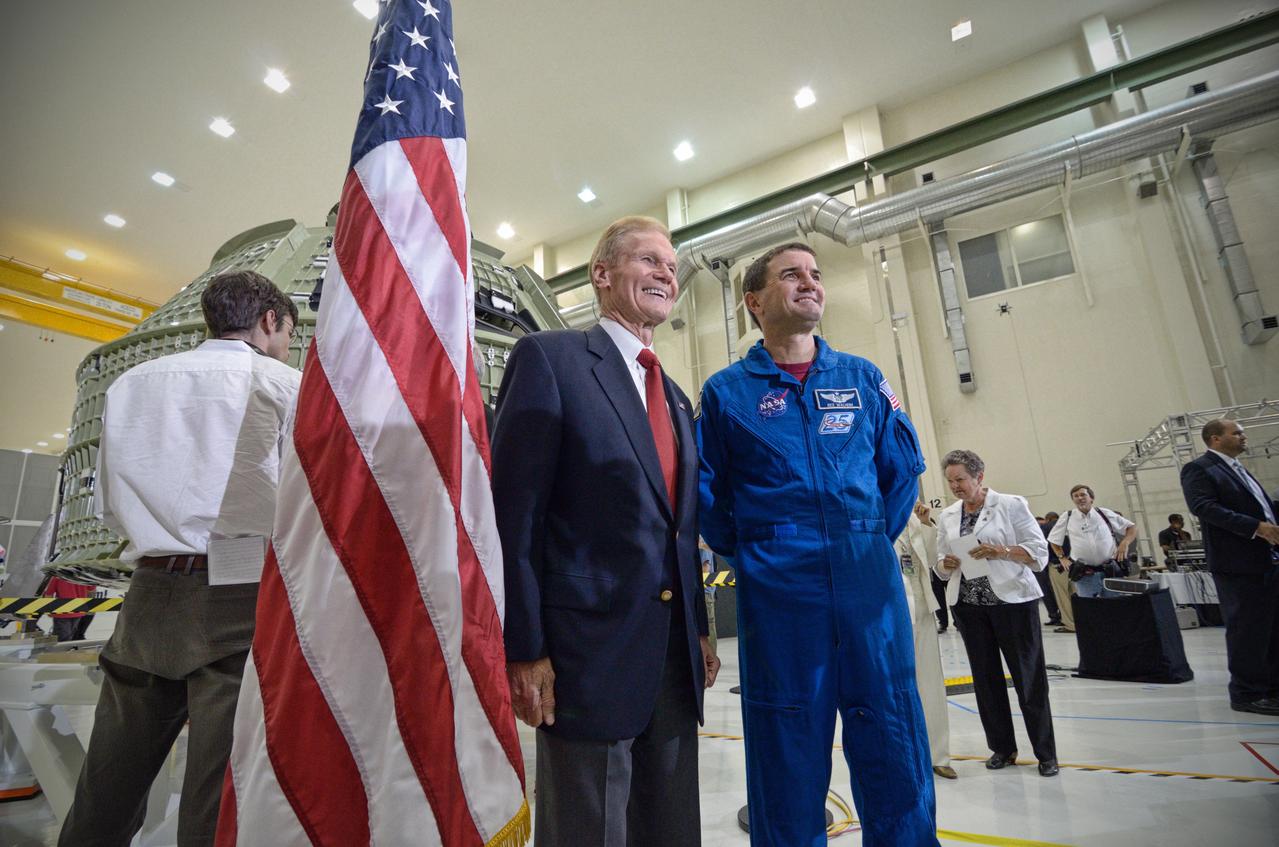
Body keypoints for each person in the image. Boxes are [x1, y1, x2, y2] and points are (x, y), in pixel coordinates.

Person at [698, 241, 936, 846]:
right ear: (754, 301)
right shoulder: (727, 394)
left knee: (893, 733)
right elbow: (705, 496)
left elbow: (901, 472)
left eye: (815, 274)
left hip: (868, 585)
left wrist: (863, 541)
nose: (809, 283)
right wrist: (761, 549)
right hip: (779, 593)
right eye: (791, 275)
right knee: (785, 741)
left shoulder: (862, 379)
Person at [492, 216, 718, 847]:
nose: (665, 274)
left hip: (673, 661)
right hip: (583, 657)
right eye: (648, 261)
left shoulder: (673, 395)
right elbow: (515, 514)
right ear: (602, 275)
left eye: (671, 266)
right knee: (587, 831)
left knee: (670, 828)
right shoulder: (552, 359)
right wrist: (525, 648)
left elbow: (681, 527)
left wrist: (698, 628)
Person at [58, 270, 300, 847]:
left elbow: (108, 502)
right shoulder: (285, 385)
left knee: (110, 780)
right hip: (239, 594)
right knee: (216, 791)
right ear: (270, 321)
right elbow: (302, 502)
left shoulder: (132, 384)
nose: (288, 345)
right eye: (289, 332)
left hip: (148, 591)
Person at [933, 450, 1058, 777]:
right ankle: (1002, 748)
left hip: (1013, 603)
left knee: (1028, 680)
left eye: (960, 479)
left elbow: (1039, 553)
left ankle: (1046, 753)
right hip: (969, 606)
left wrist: (1000, 551)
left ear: (979, 476)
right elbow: (940, 563)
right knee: (986, 682)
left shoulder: (1011, 504)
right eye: (950, 481)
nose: (955, 486)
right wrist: (944, 565)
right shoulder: (948, 515)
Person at [1179, 419, 1279, 716]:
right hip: (1237, 563)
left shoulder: (1239, 469)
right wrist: (1255, 528)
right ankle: (1246, 693)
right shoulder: (1200, 468)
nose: (1243, 437)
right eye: (1237, 433)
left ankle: (1271, 688)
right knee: (1247, 629)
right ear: (1215, 439)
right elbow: (1203, 507)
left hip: (1265, 560)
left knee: (1270, 628)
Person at [896, 502, 956, 780]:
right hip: (886, 610)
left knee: (930, 682)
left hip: (921, 605)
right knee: (891, 686)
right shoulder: (868, 511)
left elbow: (932, 561)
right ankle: (901, 756)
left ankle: (938, 754)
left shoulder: (911, 517)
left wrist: (926, 524)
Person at [1048, 484, 1136, 599]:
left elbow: (1131, 527)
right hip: (1085, 574)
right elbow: (1053, 539)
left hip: (1110, 571)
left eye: (1083, 495)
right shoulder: (1068, 516)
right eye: (1076, 496)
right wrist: (1061, 557)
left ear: (1091, 498)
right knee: (1090, 610)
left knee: (1116, 606)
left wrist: (1125, 543)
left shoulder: (1103, 513)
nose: (1079, 498)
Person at [43, 576, 95, 642]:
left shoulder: (58, 576)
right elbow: (91, 590)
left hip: (62, 612)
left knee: (61, 641)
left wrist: (49, 611)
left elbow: (48, 594)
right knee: (69, 640)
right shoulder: (84, 576)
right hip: (78, 611)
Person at [1036, 512, 1064, 628]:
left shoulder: (1043, 528)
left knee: (1047, 591)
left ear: (1047, 519)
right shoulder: (1060, 525)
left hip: (1042, 564)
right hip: (1058, 562)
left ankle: (1054, 616)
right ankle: (1061, 616)